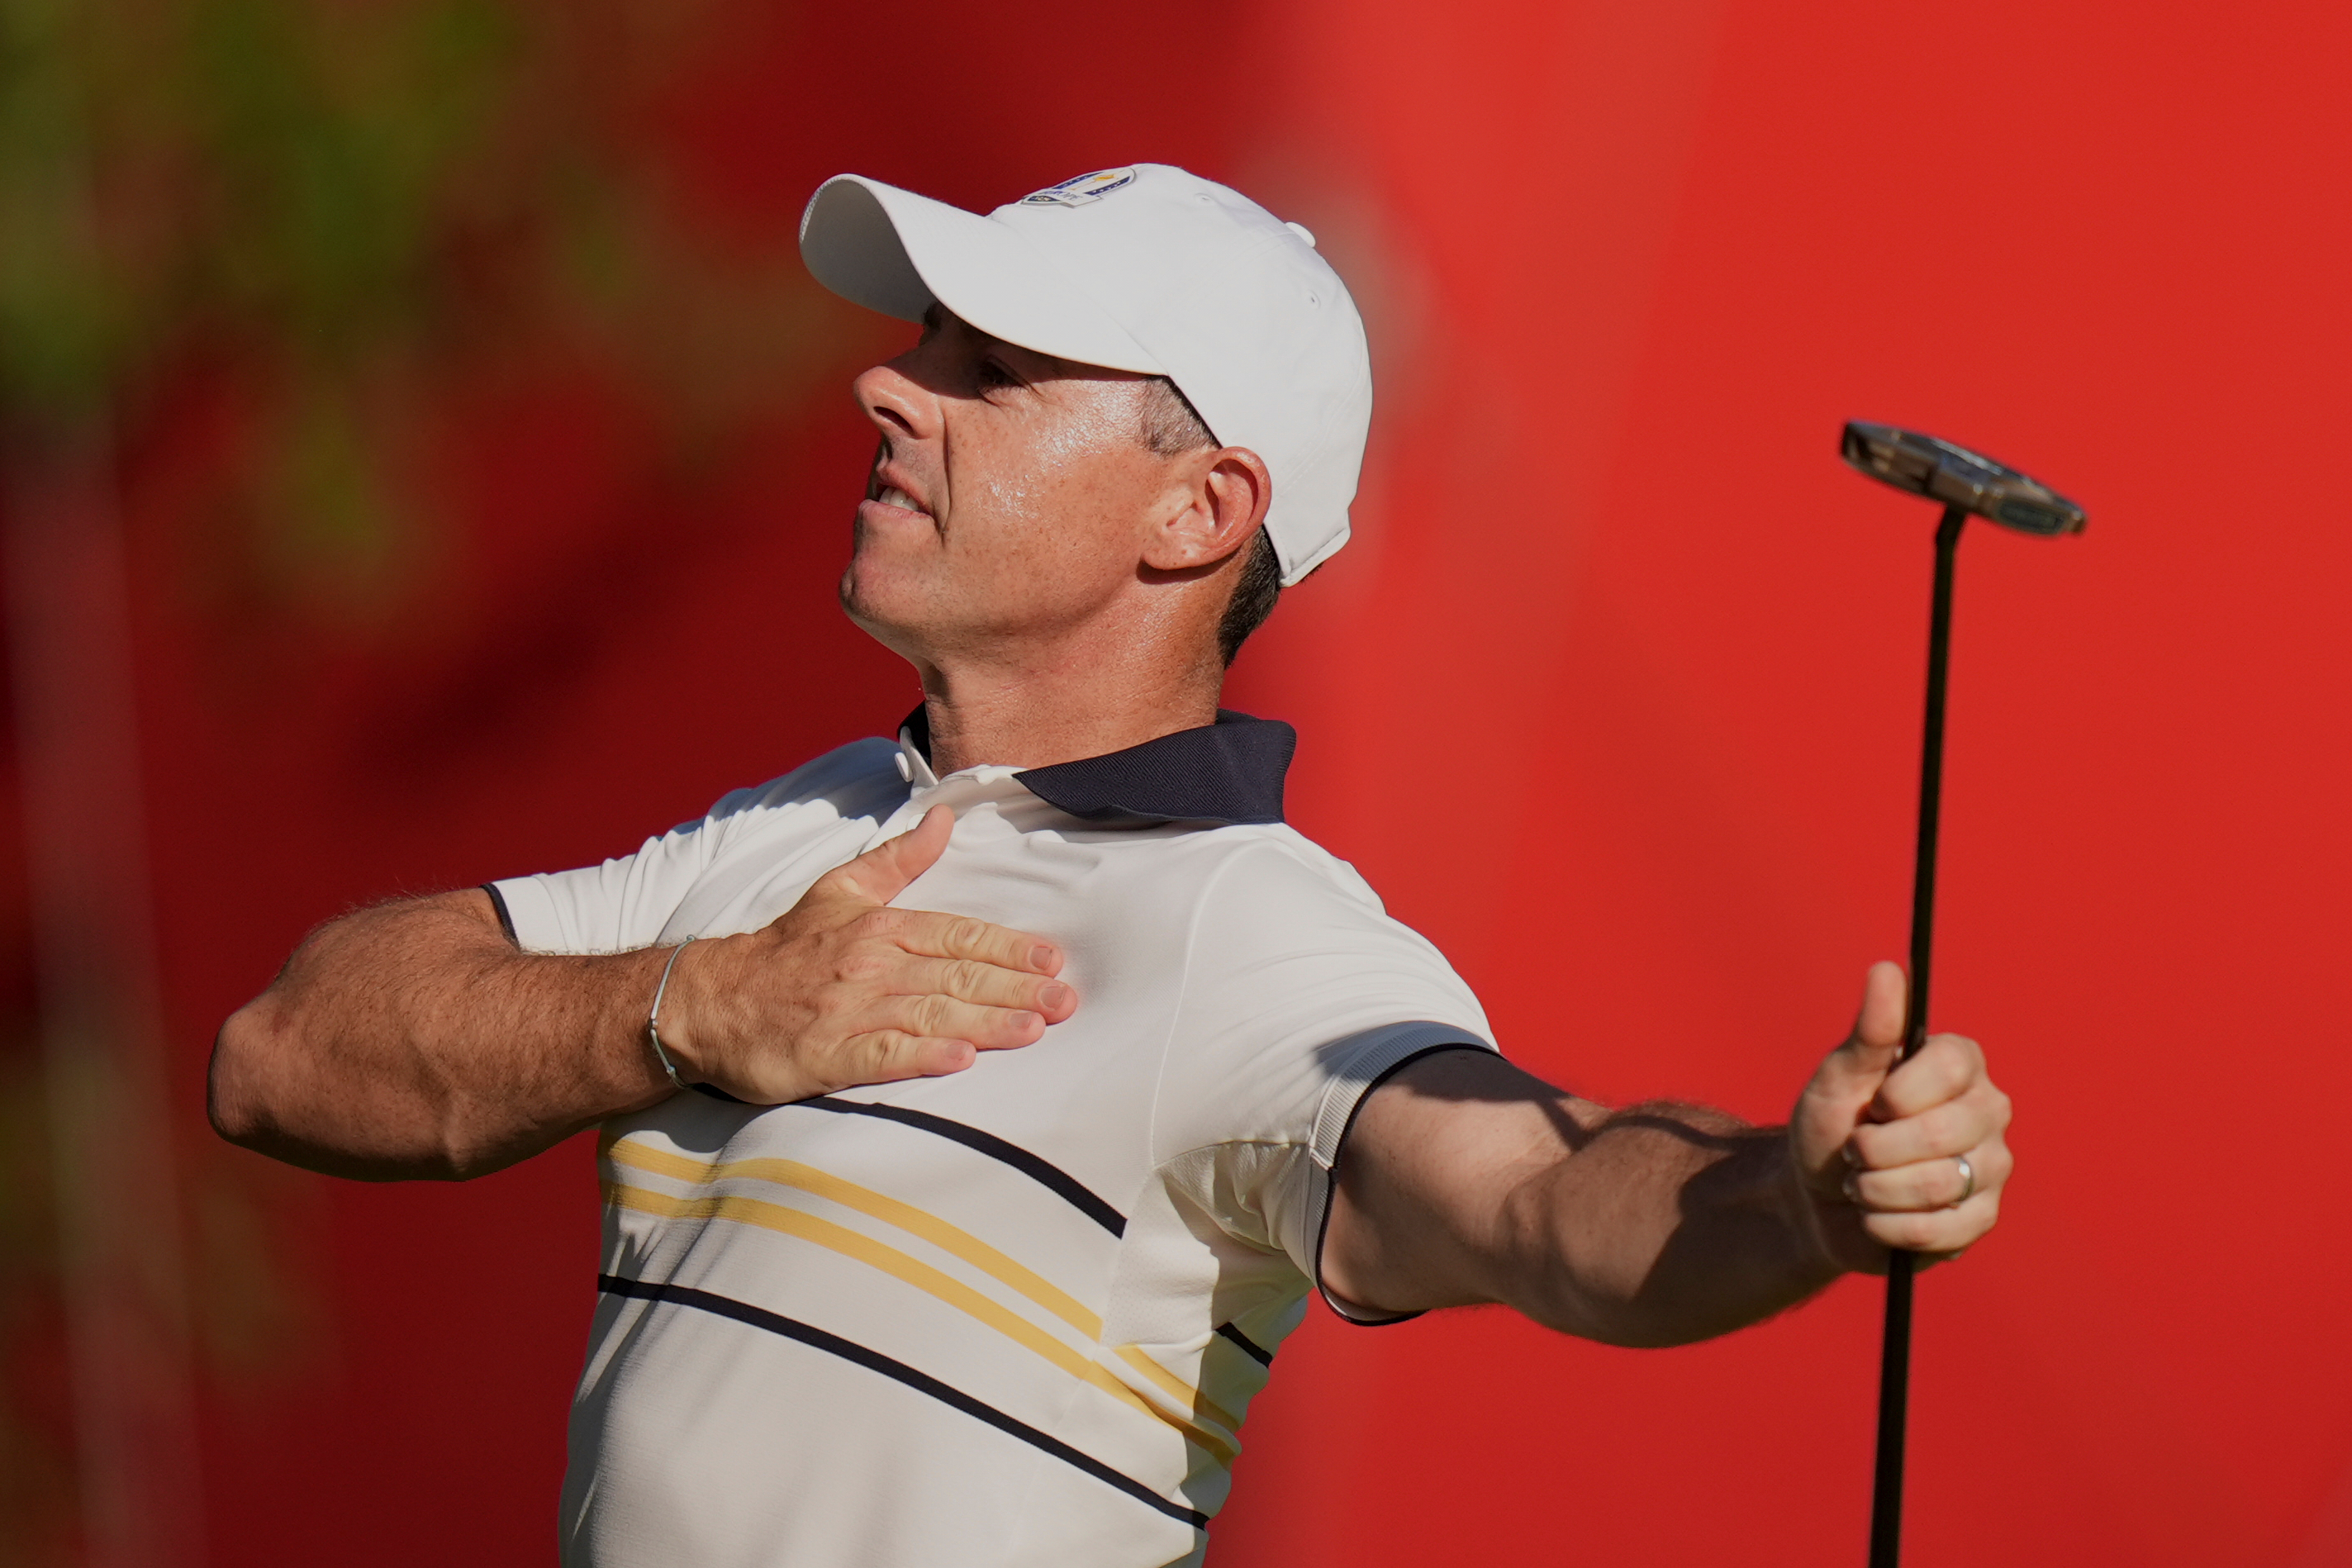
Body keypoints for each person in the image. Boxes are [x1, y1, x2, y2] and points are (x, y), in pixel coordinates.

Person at [209, 164, 2012, 1567]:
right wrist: (690, 1007)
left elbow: (1536, 1191)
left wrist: (1791, 1198)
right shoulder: (802, 827)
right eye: (926, 342)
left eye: (988, 370)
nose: (886, 383)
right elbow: (280, 1055)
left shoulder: (1250, 930)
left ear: (1197, 511)